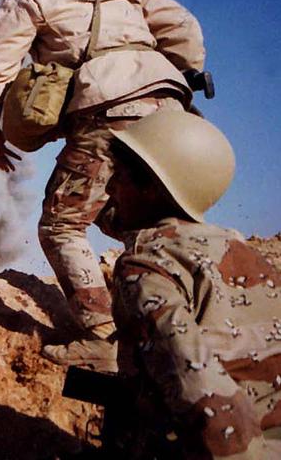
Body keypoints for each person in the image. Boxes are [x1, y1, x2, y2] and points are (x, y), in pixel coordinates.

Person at [0, 0, 206, 368]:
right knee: (144, 218)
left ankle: (104, 338)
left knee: (61, 225)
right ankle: (193, 311)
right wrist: (184, 71)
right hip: (172, 114)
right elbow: (185, 29)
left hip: (106, 110)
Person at [102, 110, 280, 459]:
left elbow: (197, 388)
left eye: (118, 176)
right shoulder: (249, 255)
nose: (108, 188)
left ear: (151, 189)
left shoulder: (147, 267)